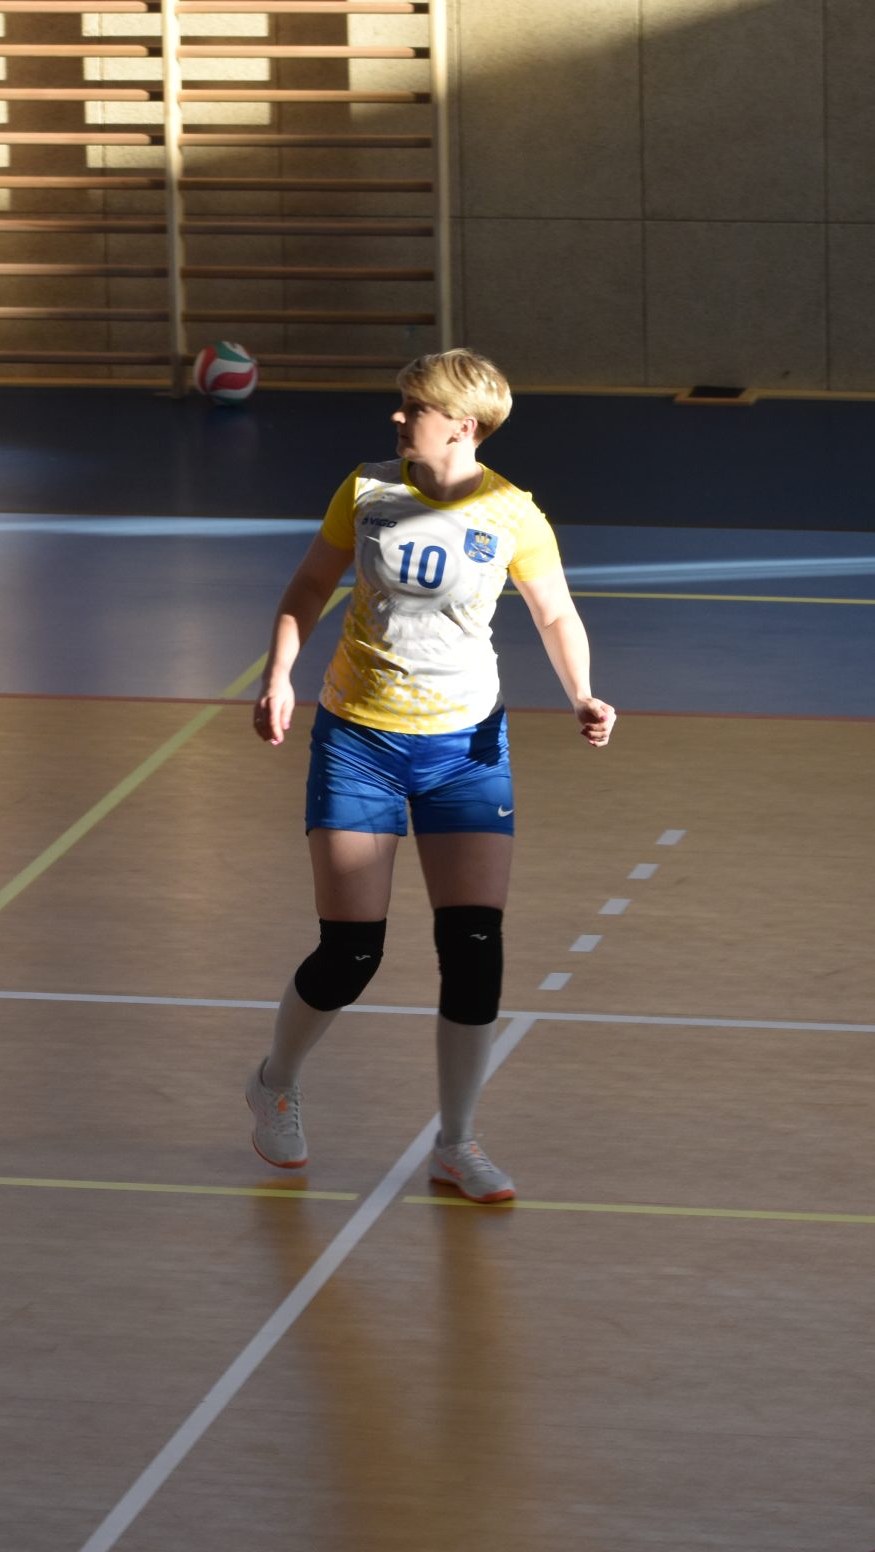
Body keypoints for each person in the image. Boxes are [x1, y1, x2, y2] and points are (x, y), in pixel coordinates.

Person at [244, 349, 614, 1204]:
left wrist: (584, 694)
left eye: (415, 407)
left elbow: (556, 613)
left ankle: (457, 1141)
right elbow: (309, 584)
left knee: (475, 946)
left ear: (463, 426)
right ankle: (274, 1081)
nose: (398, 417)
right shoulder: (367, 489)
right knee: (351, 953)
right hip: (359, 741)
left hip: (465, 749)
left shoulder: (513, 513)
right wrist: (278, 675)